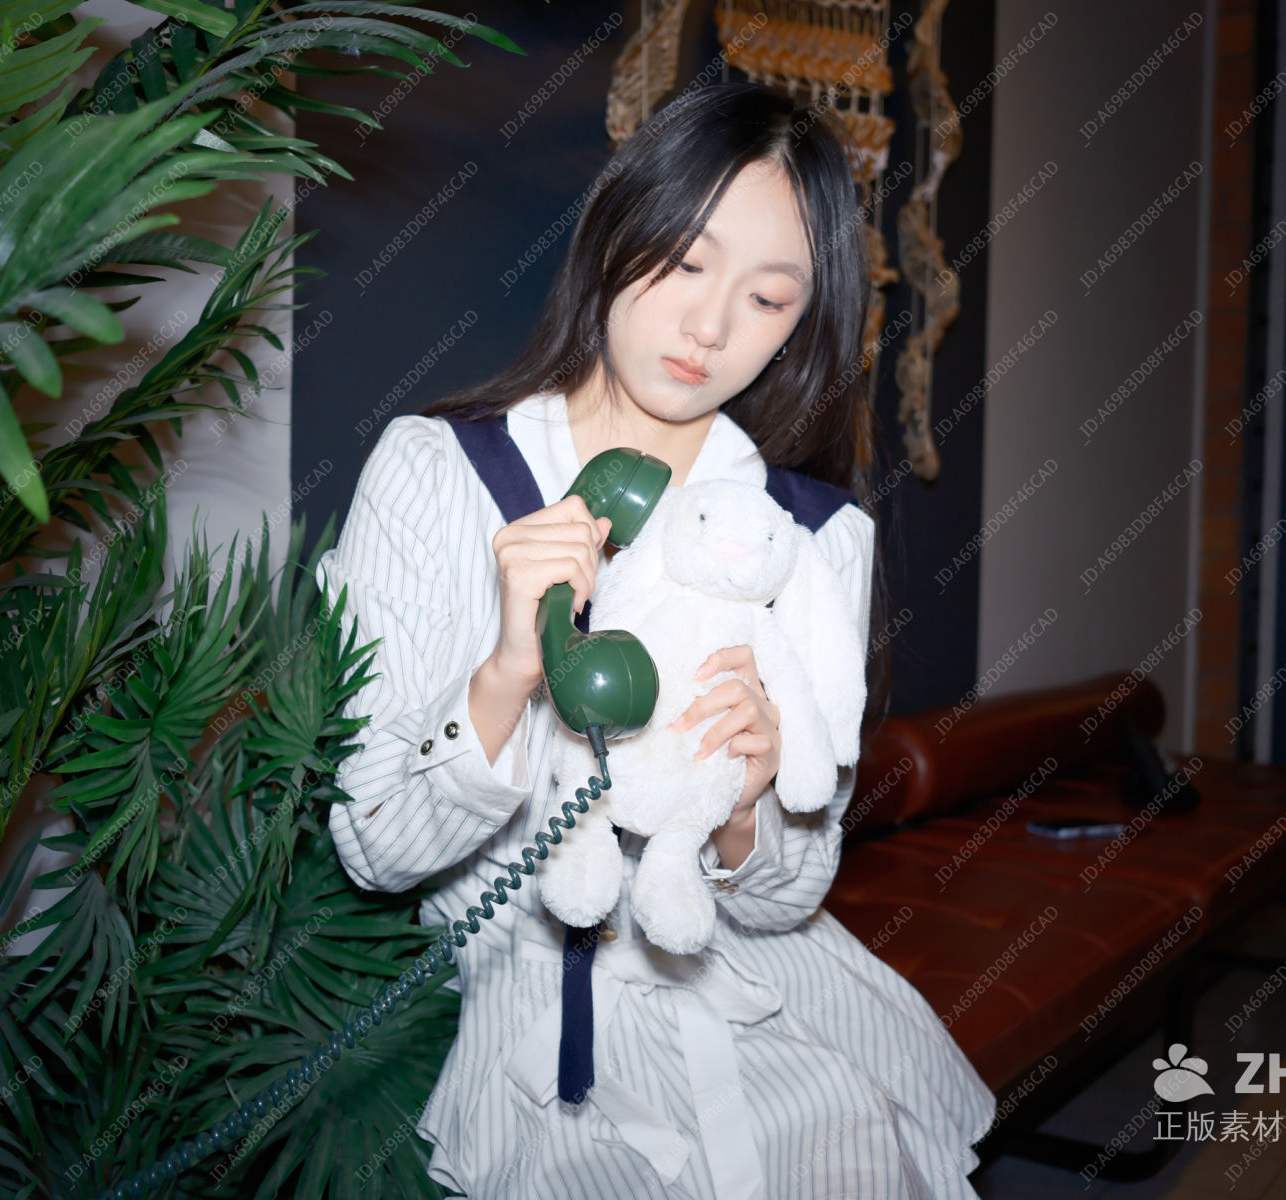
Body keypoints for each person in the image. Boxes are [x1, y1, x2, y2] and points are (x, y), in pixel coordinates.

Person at [316, 81, 995, 1199]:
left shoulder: (807, 538)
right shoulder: (439, 473)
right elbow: (376, 843)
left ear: (801, 324)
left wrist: (745, 807)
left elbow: (788, 895)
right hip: (537, 1024)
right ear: (616, 230)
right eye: (684, 262)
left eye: (767, 298)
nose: (711, 328)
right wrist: (505, 677)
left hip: (766, 1003)